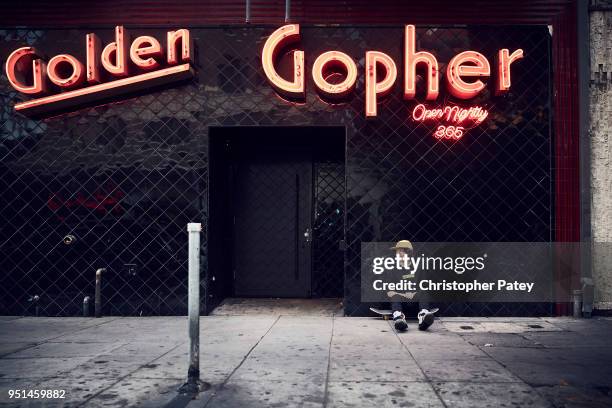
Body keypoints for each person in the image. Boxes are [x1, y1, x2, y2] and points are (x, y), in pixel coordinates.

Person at [388, 240, 435, 332]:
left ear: (408, 252)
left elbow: (425, 286)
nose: (397, 254)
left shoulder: (418, 267)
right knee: (395, 296)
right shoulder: (392, 269)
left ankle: (424, 317)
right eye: (397, 252)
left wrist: (414, 293)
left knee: (424, 292)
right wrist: (404, 295)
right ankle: (399, 318)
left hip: (417, 304)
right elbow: (390, 292)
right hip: (400, 304)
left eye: (400, 251)